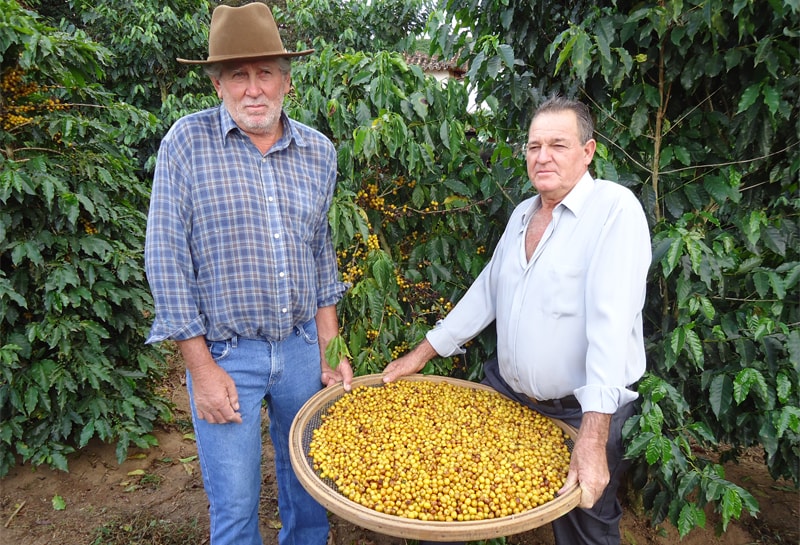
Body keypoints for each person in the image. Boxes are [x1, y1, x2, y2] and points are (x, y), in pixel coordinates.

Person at [384, 97, 651, 545]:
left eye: (557, 145)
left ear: (587, 152)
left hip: (580, 410)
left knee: (586, 519)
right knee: (485, 495)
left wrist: (591, 436)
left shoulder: (614, 211)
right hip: (510, 398)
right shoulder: (523, 213)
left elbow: (610, 327)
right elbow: (488, 292)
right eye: (533, 146)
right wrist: (422, 353)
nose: (542, 156)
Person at [144, 3, 353, 545]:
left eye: (265, 73)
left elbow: (319, 252)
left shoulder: (318, 151)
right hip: (226, 355)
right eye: (239, 74)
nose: (253, 88)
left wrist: (331, 352)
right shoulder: (185, 146)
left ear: (286, 80)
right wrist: (202, 369)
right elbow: (165, 261)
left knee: (310, 496)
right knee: (235, 507)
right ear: (218, 85)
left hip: (304, 347)